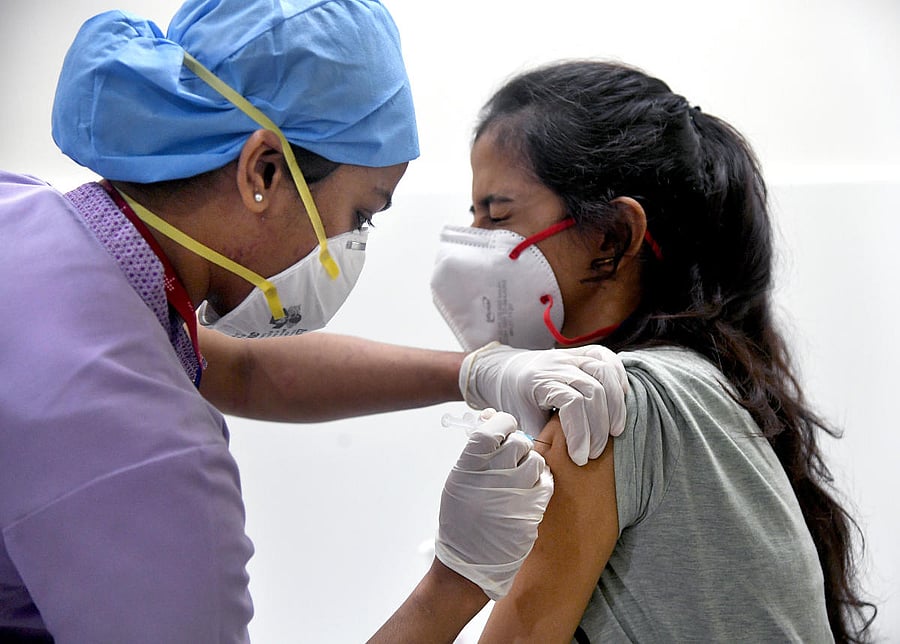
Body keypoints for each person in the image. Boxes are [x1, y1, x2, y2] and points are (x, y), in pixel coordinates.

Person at [0, 4, 632, 641]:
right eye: (360, 216)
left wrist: (478, 372)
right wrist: (457, 579)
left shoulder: (24, 219)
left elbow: (242, 370)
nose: (353, 243)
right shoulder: (146, 448)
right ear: (264, 172)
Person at [428, 60, 877, 642]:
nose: (479, 243)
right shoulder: (708, 380)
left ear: (613, 237)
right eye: (474, 215)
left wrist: (455, 576)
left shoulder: (606, 406)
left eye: (498, 213)